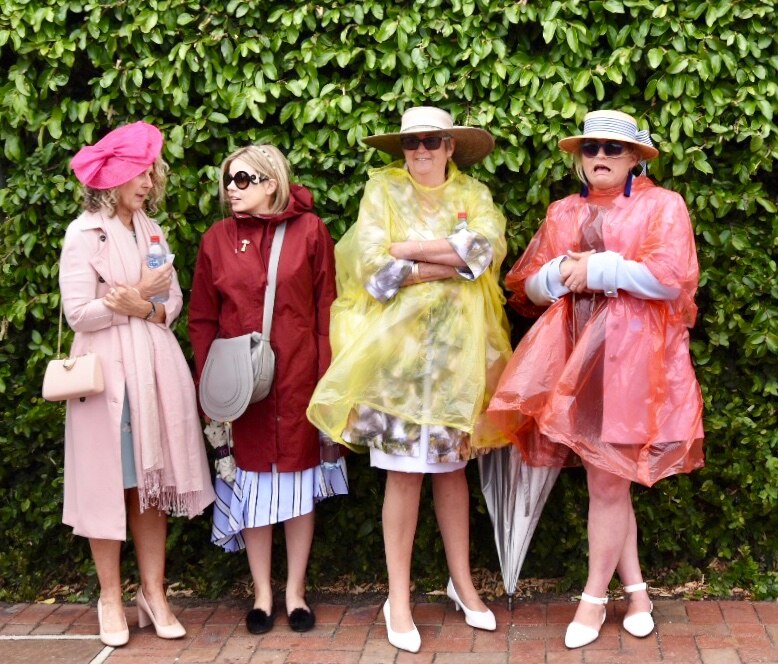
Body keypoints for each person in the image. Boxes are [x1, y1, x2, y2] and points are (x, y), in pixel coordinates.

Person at [487, 110, 705, 648]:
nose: (600, 158)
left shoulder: (662, 205)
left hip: (633, 363)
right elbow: (526, 290)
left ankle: (592, 600)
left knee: (607, 483)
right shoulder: (562, 211)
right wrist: (559, 273)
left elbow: (671, 278)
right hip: (572, 365)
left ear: (636, 157)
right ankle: (637, 593)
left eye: (612, 149)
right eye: (590, 149)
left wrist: (600, 269)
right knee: (608, 481)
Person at [307, 106, 512, 653]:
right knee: (403, 475)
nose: (419, 151)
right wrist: (448, 255)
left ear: (450, 147)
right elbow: (372, 270)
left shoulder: (477, 195)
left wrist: (409, 252)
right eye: (411, 142)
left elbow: (484, 253)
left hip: (456, 364)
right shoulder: (382, 193)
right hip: (395, 366)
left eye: (430, 141)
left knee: (451, 474)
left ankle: (461, 583)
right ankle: (397, 596)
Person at [61, 121, 215, 647]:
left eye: (150, 170)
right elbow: (78, 312)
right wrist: (124, 301)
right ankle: (110, 596)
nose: (148, 180)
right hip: (106, 381)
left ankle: (153, 593)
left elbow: (170, 303)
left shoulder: (151, 230)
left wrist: (145, 304)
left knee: (151, 487)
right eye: (138, 171)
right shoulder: (82, 234)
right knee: (109, 484)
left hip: (154, 375)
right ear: (111, 177)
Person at [188, 145, 347, 635]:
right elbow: (202, 318)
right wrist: (212, 385)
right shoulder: (217, 239)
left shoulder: (311, 232)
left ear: (271, 182)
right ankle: (261, 593)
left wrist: (328, 380)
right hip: (243, 392)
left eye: (241, 179)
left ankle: (295, 592)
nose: (231, 189)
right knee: (252, 490)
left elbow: (327, 309)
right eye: (227, 181)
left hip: (301, 379)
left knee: (299, 489)